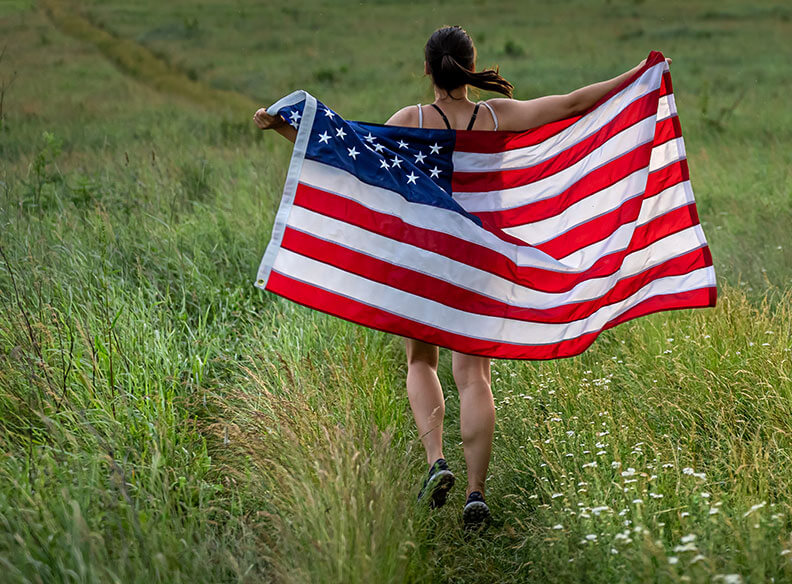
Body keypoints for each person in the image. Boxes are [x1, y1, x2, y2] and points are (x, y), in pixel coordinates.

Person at [253, 25, 668, 531]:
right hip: (483, 259)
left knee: (420, 359)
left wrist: (282, 127)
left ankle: (436, 462)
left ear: (427, 68)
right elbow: (573, 103)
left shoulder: (411, 120)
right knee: (474, 375)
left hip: (428, 259)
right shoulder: (498, 116)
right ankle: (476, 493)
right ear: (471, 64)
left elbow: (352, 160)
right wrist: (641, 73)